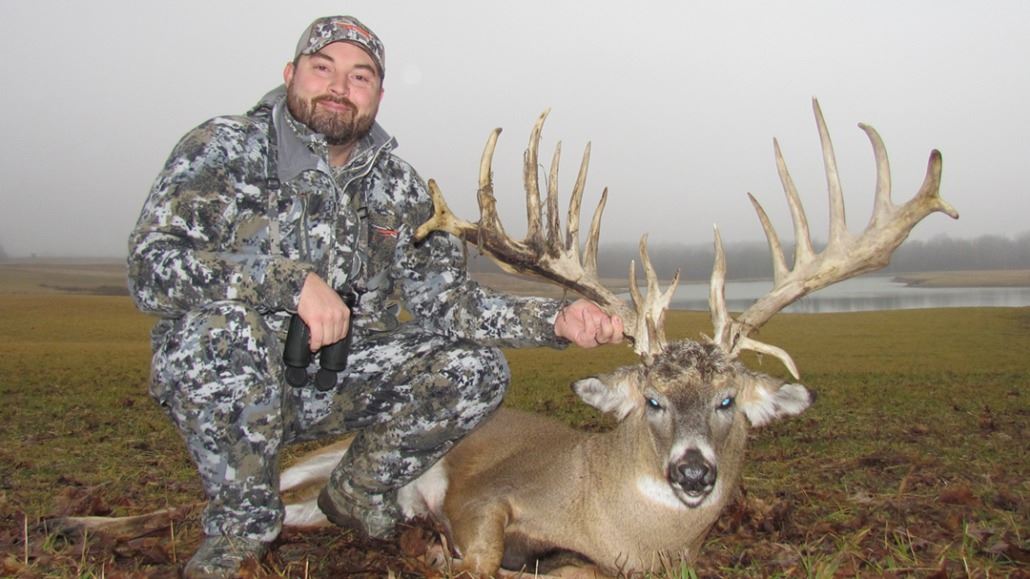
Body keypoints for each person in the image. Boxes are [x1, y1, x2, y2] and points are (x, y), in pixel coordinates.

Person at [127, 15, 623, 578]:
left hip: (337, 378)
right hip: (229, 377)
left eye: (359, 77)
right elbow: (152, 266)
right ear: (290, 74)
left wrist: (557, 320)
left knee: (475, 369)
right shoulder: (223, 148)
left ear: (379, 95)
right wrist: (290, 283)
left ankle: (358, 491)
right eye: (323, 68)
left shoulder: (401, 187)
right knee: (221, 333)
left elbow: (450, 302)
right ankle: (241, 530)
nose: (340, 87)